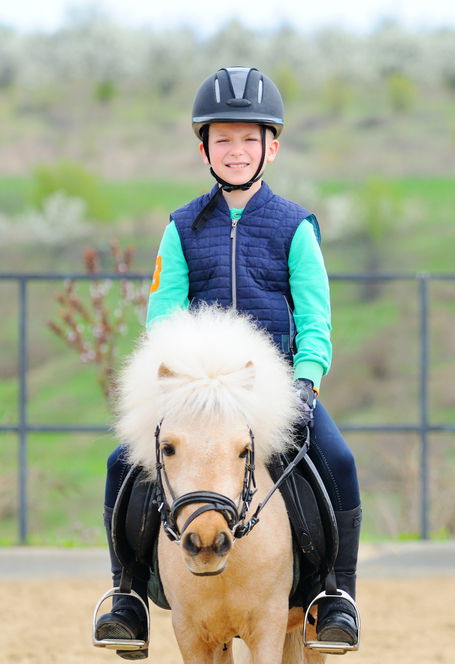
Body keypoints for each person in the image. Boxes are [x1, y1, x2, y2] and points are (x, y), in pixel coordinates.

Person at [93, 66, 362, 658]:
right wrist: (172, 383)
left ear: (272, 147)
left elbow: (315, 321)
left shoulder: (295, 227)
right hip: (196, 394)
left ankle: (335, 596)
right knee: (121, 466)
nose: (236, 150)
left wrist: (308, 380)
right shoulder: (181, 228)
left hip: (272, 393)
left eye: (248, 138)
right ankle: (127, 597)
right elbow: (162, 320)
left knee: (339, 462)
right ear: (204, 150)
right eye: (223, 140)